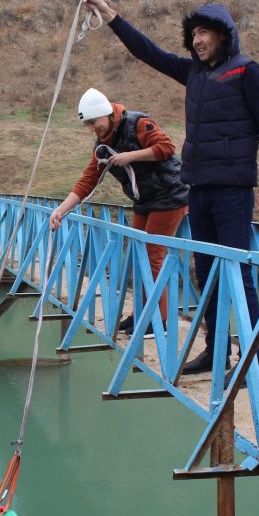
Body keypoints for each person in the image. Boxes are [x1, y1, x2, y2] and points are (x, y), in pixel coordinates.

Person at [83, 0, 259, 374]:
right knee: (205, 271)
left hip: (233, 190)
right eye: (193, 34)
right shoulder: (193, 73)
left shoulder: (247, 71)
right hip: (199, 188)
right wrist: (110, 15)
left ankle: (253, 362)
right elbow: (148, 52)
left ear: (223, 35)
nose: (197, 40)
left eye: (204, 32)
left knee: (238, 271)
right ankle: (216, 352)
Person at [49, 88, 189, 338]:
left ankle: (160, 321)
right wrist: (60, 211)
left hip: (169, 197)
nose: (93, 129)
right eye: (88, 125)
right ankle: (142, 313)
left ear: (106, 114)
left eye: (94, 123)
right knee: (137, 255)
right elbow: (88, 180)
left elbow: (166, 147)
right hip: (144, 201)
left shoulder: (138, 124)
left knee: (152, 256)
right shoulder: (102, 145)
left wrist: (130, 156)